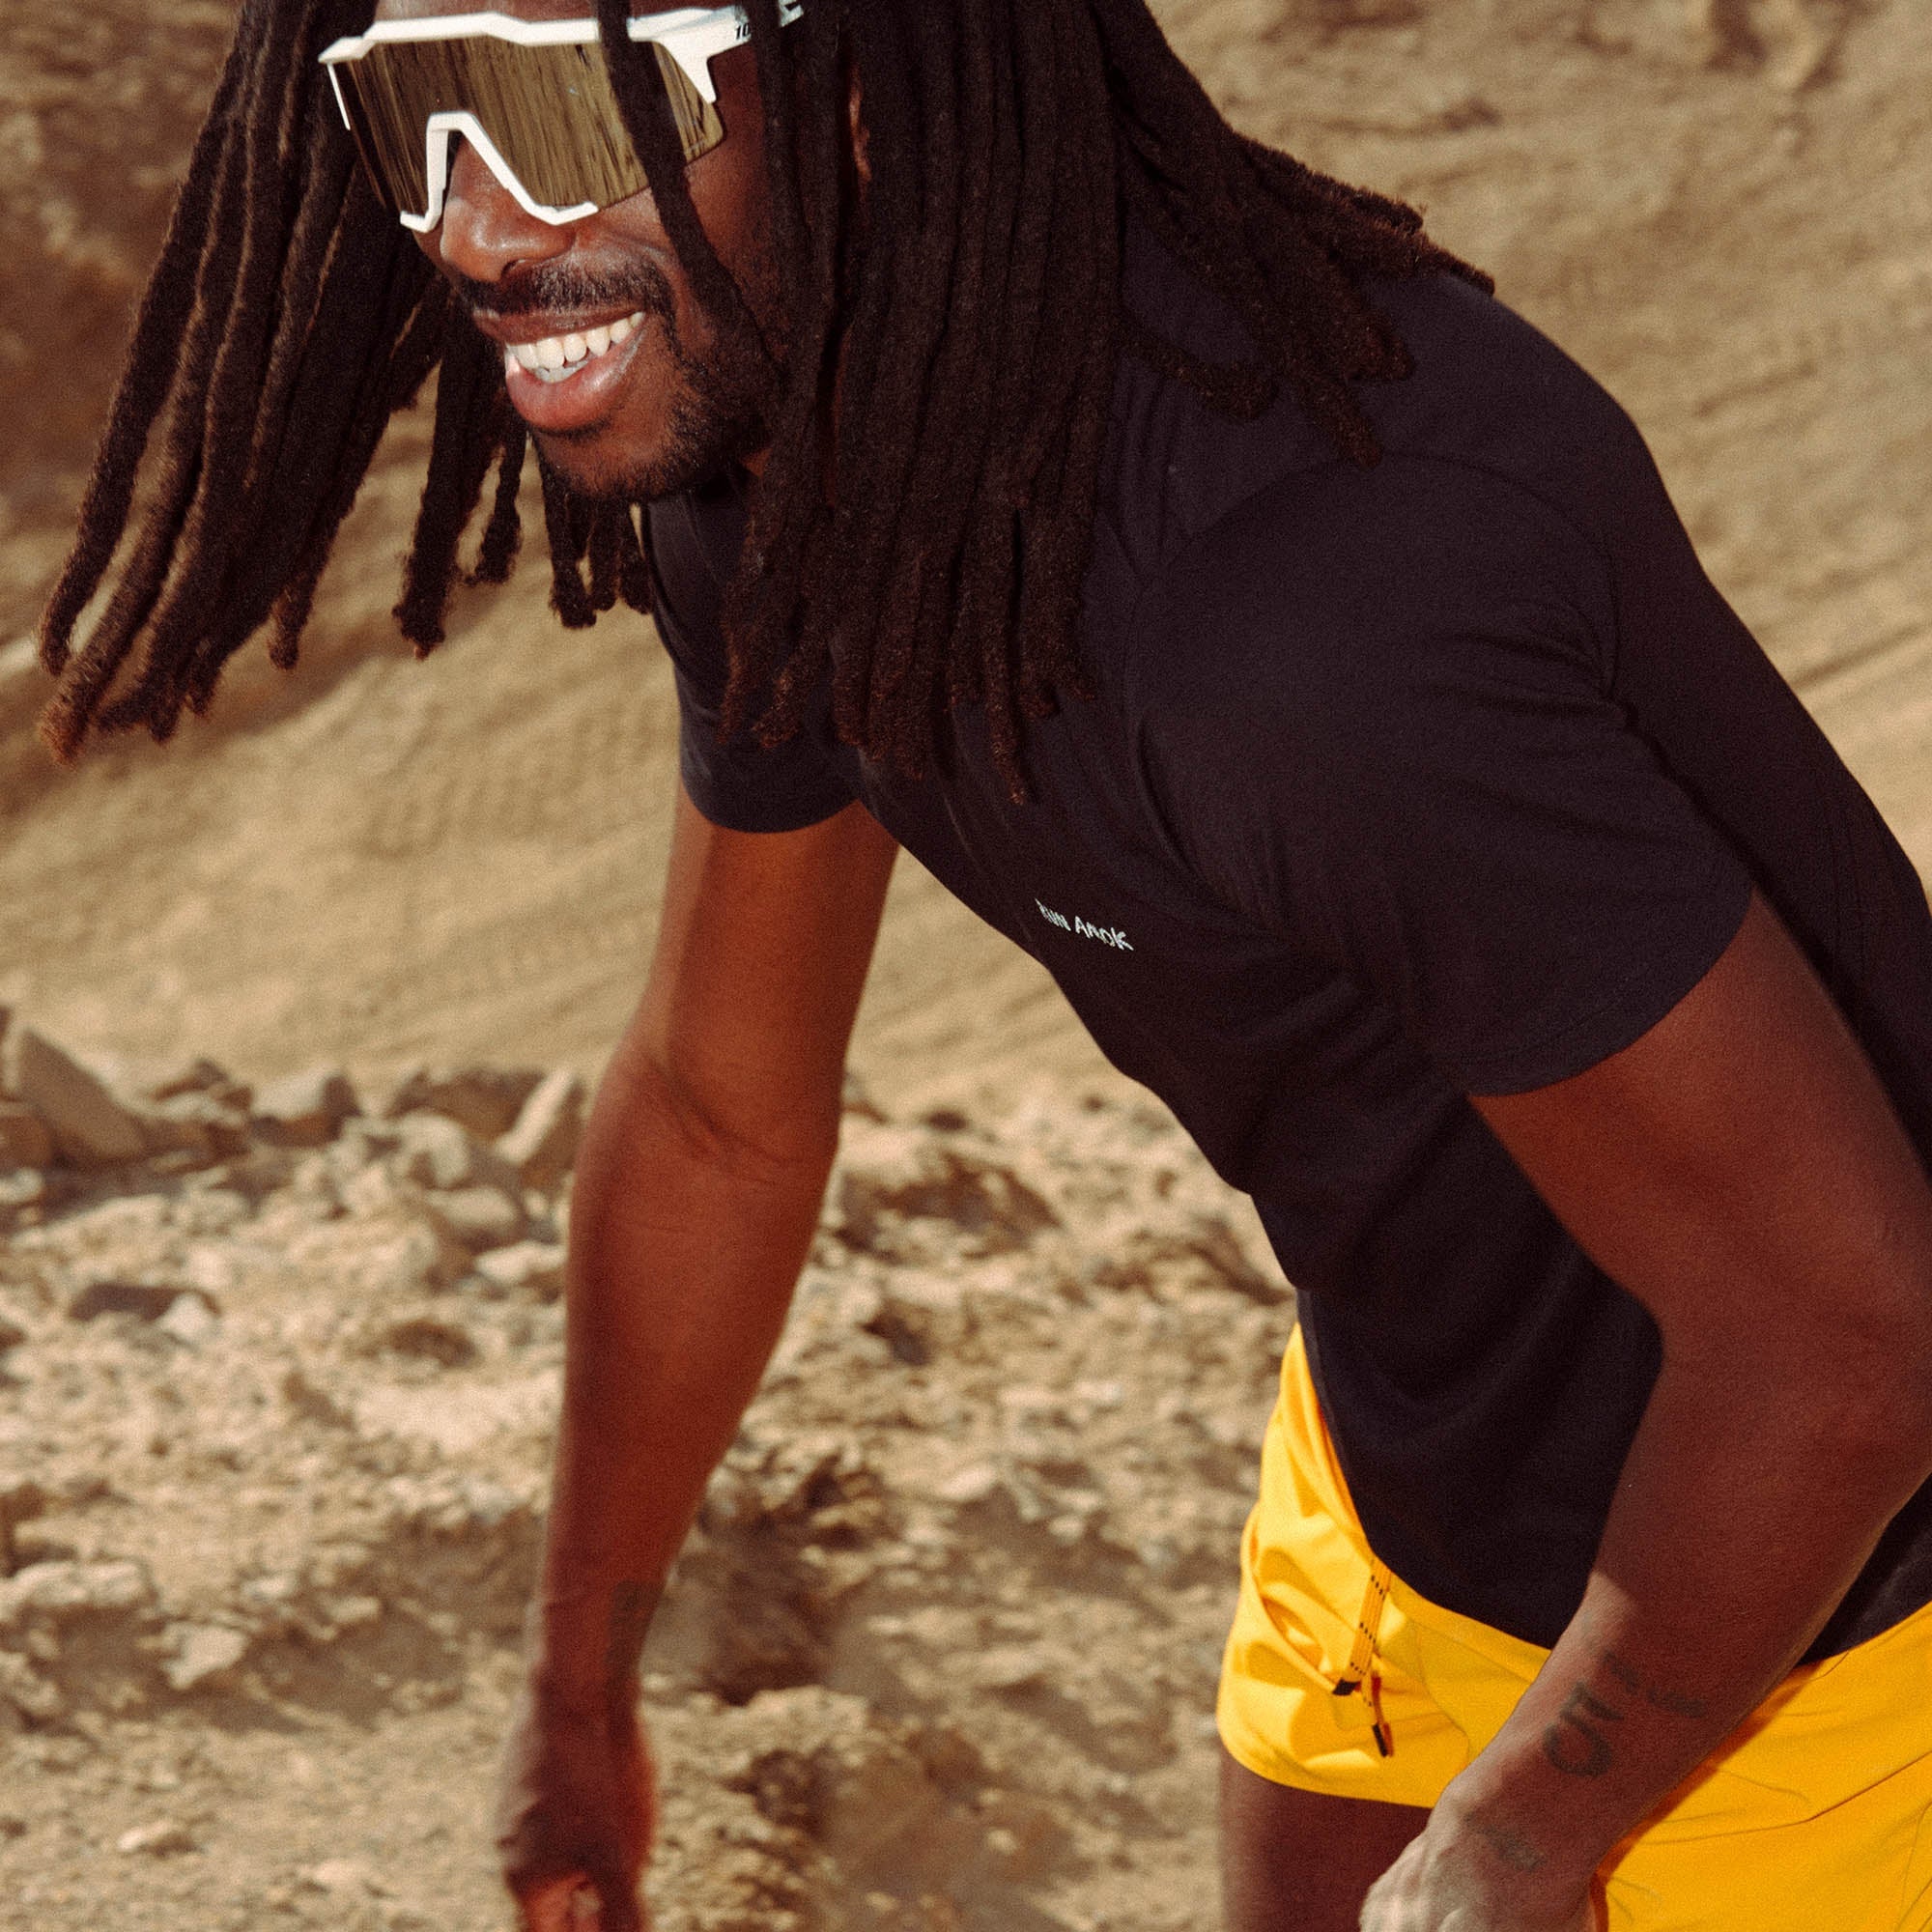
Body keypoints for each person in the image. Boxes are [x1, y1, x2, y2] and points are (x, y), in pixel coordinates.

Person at [41, 0, 1932, 1926]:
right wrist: (576, 1692)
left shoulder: (1300, 613)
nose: (475, 225)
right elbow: (716, 1112)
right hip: (1394, 1476)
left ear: (858, 80)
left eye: (563, 102)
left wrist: (1515, 1838)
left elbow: (1846, 1335)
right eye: (414, 109)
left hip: (1817, 1612)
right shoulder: (783, 455)